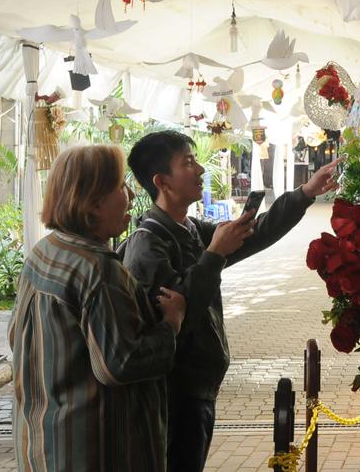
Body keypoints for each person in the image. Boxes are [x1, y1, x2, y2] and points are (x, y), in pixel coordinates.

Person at [123, 130, 339, 472]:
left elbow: (258, 232)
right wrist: (213, 255)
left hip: (201, 388)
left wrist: (305, 193)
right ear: (162, 181)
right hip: (174, 396)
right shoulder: (148, 248)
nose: (200, 170)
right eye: (188, 163)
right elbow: (174, 324)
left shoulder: (190, 229)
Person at [10, 145, 186, 472]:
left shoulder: (45, 252)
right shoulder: (97, 270)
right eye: (120, 186)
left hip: (44, 443)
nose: (131, 195)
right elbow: (120, 364)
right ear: (92, 202)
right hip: (93, 451)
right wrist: (170, 325)